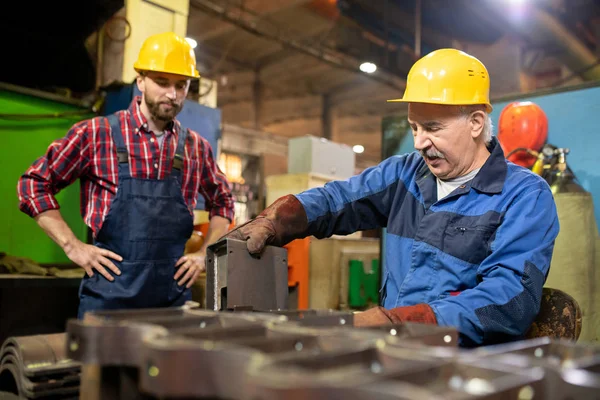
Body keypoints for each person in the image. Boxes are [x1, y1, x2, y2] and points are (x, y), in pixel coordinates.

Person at [221, 48, 560, 347]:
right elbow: (339, 199)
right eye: (414, 127)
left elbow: (508, 298)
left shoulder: (524, 197)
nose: (418, 142)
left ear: (475, 122)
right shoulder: (404, 174)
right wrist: (278, 219)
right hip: (392, 352)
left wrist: (401, 322)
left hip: (461, 365)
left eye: (432, 127)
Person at [17, 32, 234, 318]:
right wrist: (73, 247)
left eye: (181, 85)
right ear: (140, 80)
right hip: (108, 301)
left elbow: (224, 201)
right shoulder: (96, 134)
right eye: (162, 82)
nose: (172, 93)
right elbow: (33, 185)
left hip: (171, 305)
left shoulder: (196, 148)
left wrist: (204, 255)